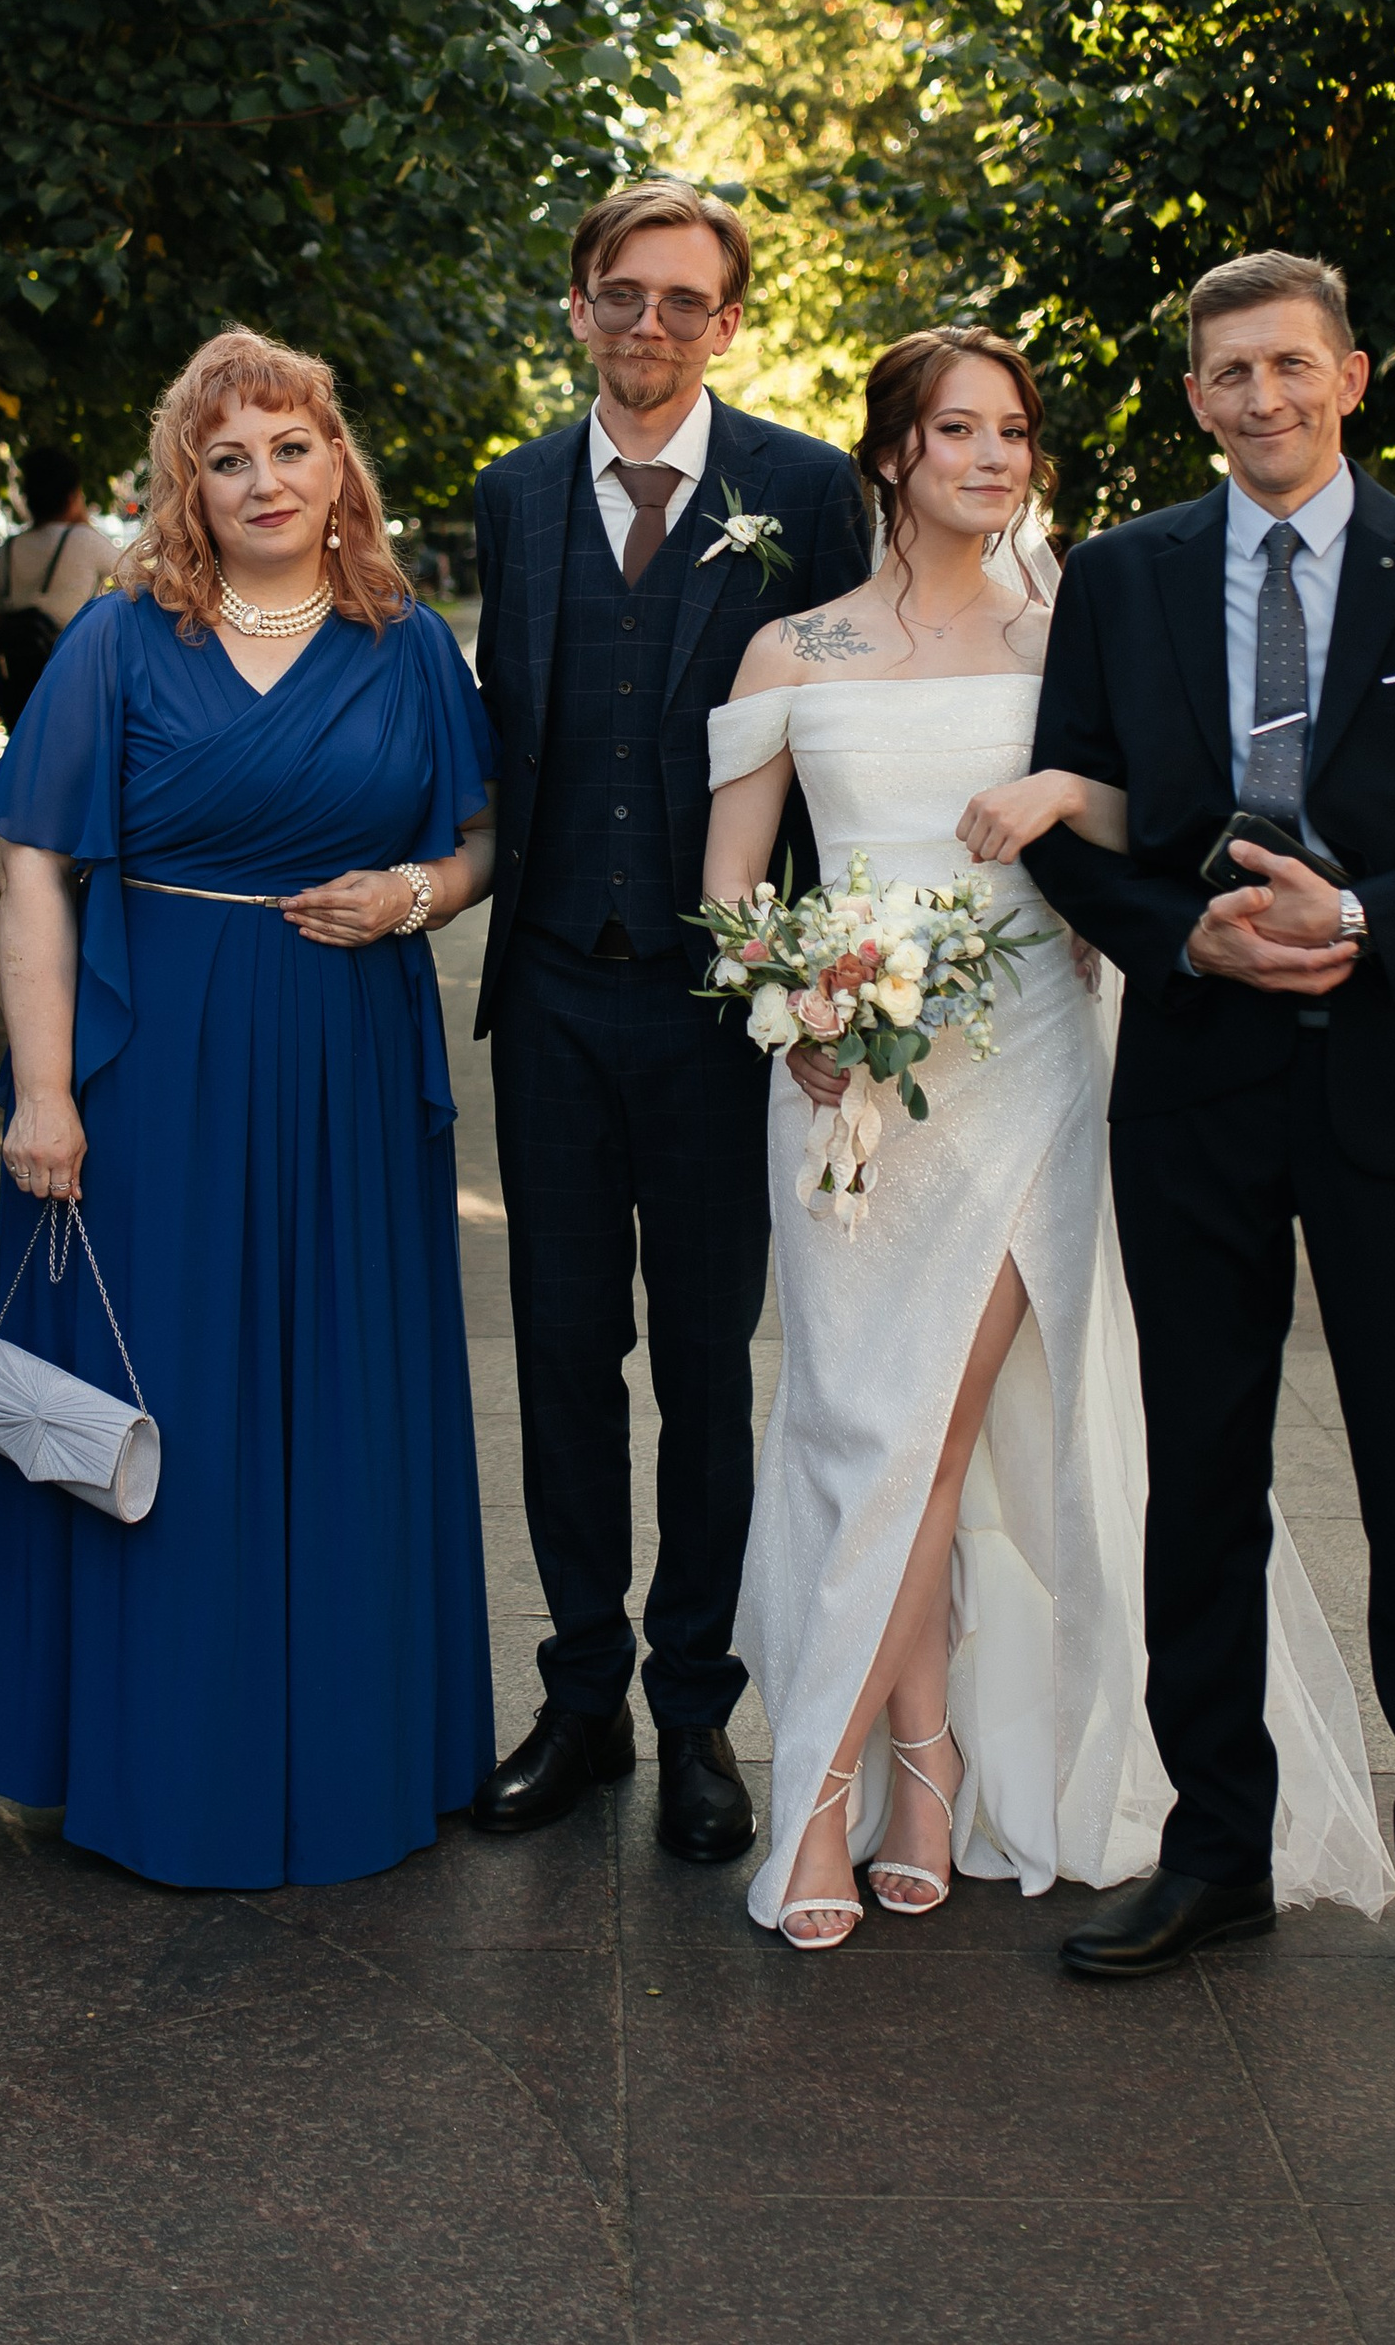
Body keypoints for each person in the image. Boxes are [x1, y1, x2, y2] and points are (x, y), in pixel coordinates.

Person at [706, 328, 1388, 1947]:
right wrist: (798, 1010)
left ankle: (822, 1795)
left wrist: (1066, 790)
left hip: (1030, 1066)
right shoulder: (785, 651)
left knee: (936, 1426)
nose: (993, 457)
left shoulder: (1071, 628)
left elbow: (1173, 806)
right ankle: (925, 1759)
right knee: (866, 1426)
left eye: (1013, 431)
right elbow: (735, 888)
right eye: (958, 429)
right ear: (893, 452)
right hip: (849, 1096)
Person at [1023, 250, 1395, 2035]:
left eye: (1291, 364)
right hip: (1196, 1073)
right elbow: (1065, 815)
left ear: (1351, 374)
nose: (1262, 396)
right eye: (1227, 372)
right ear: (1193, 394)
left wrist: (1366, 913)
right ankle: (1214, 1850)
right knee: (1198, 1472)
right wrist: (1173, 930)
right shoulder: (1120, 576)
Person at [0, 327, 497, 1887]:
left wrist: (415, 893)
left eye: (290, 447)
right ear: (183, 487)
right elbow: (33, 873)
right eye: (227, 458)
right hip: (160, 1076)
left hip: (347, 1061)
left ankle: (358, 1749)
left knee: (345, 1397)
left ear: (340, 464)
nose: (264, 480)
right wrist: (47, 1095)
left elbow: (478, 840)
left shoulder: (406, 641)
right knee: (179, 1407)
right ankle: (160, 1766)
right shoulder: (123, 641)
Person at [470, 178, 869, 1864]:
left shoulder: (803, 487)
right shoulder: (510, 494)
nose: (649, 324)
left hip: (725, 1009)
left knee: (708, 1365)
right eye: (621, 294)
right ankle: (580, 1693)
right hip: (554, 986)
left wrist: (833, 969)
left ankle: (699, 1705)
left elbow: (846, 741)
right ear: (576, 305)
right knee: (565, 1356)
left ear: (729, 319)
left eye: (683, 300)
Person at [0, 446, 111, 727]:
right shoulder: (84, 540)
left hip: (17, 688)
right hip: (74, 683)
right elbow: (137, 577)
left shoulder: (6, 551)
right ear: (72, 496)